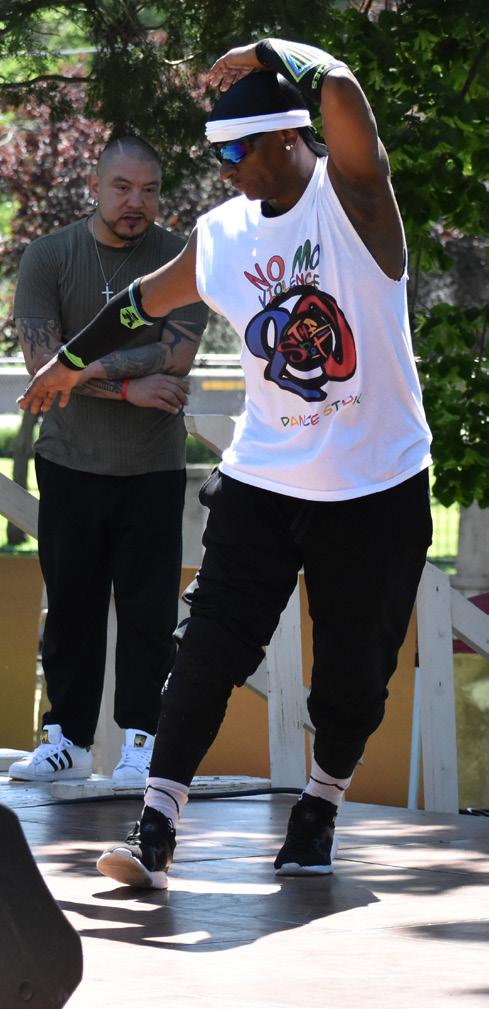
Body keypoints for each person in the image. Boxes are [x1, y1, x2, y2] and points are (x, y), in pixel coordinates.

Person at [19, 39, 433, 882]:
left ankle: (318, 807)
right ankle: (155, 824)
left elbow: (341, 86)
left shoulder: (354, 202)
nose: (225, 168)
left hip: (375, 485)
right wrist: (66, 361)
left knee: (352, 679)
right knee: (205, 646)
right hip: (263, 478)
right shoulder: (222, 235)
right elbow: (141, 303)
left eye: (238, 151)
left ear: (287, 136)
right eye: (216, 153)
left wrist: (272, 50)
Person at [9, 135, 208, 789]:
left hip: (152, 465)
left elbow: (176, 356)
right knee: (71, 607)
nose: (135, 203)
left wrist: (86, 367)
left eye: (149, 190)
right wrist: (127, 387)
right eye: (122, 188)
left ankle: (142, 744)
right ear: (95, 186)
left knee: (150, 613)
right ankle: (65, 741)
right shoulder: (50, 255)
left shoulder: (182, 259)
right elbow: (41, 364)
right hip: (69, 460)